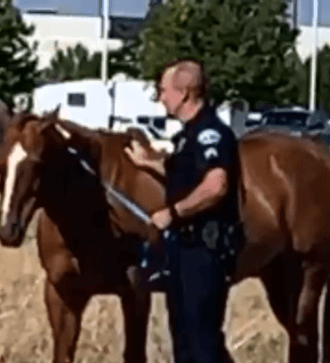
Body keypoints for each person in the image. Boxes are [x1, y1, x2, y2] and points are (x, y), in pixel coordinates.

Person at [124, 58, 241, 363]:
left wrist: (173, 213)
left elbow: (217, 185)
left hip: (205, 251)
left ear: (185, 93)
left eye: (163, 90)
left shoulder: (209, 134)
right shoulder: (187, 136)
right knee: (185, 343)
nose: (160, 97)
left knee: (203, 344)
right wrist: (147, 163)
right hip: (182, 250)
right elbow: (184, 171)